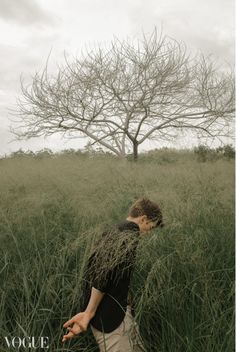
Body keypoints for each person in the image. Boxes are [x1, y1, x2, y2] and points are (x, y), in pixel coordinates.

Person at [62, 197, 164, 351]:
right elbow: (102, 276)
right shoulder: (130, 233)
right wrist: (89, 313)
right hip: (111, 320)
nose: (147, 234)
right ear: (143, 219)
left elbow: (100, 271)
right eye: (150, 228)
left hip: (117, 314)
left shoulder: (114, 229)